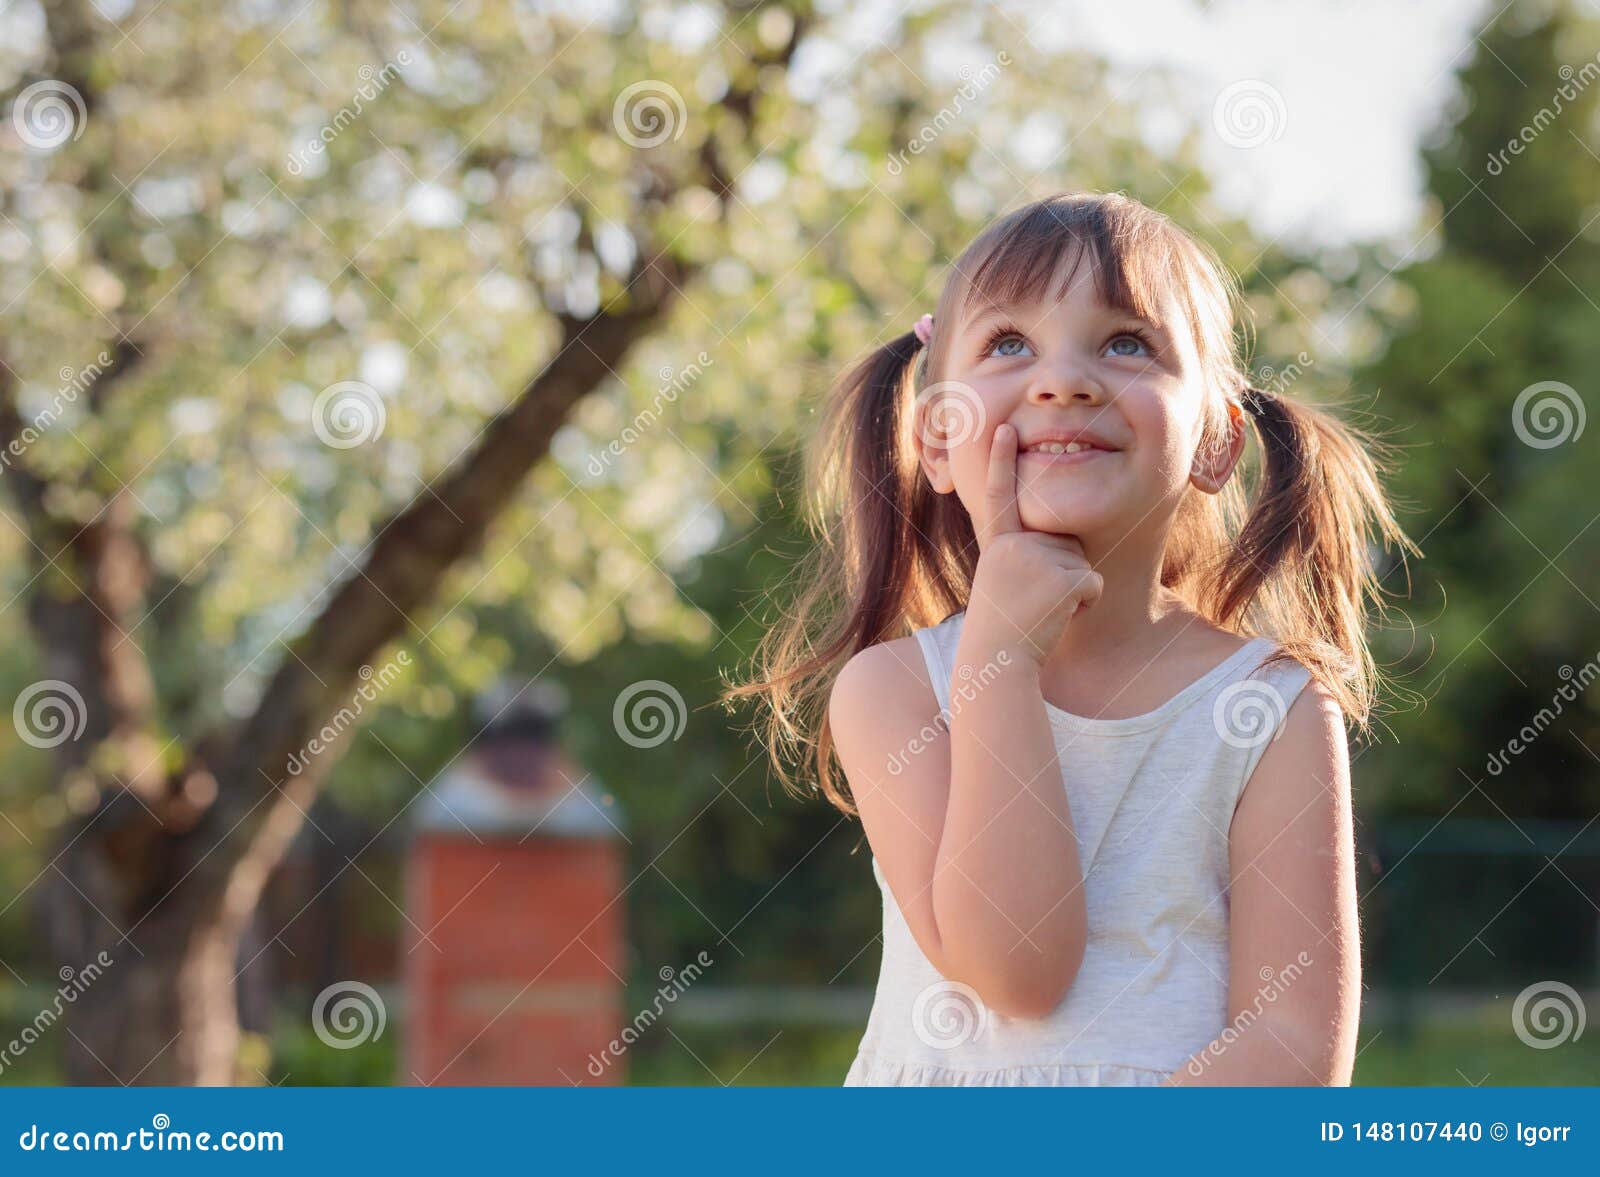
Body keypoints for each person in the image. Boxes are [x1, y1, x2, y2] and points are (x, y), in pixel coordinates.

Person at [726, 191, 1413, 1085]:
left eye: (1127, 343)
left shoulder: (1270, 706)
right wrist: (1000, 661)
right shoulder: (893, 690)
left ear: (1214, 440)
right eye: (1009, 344)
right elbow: (1018, 967)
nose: (1065, 379)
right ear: (937, 439)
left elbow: (1293, 1045)